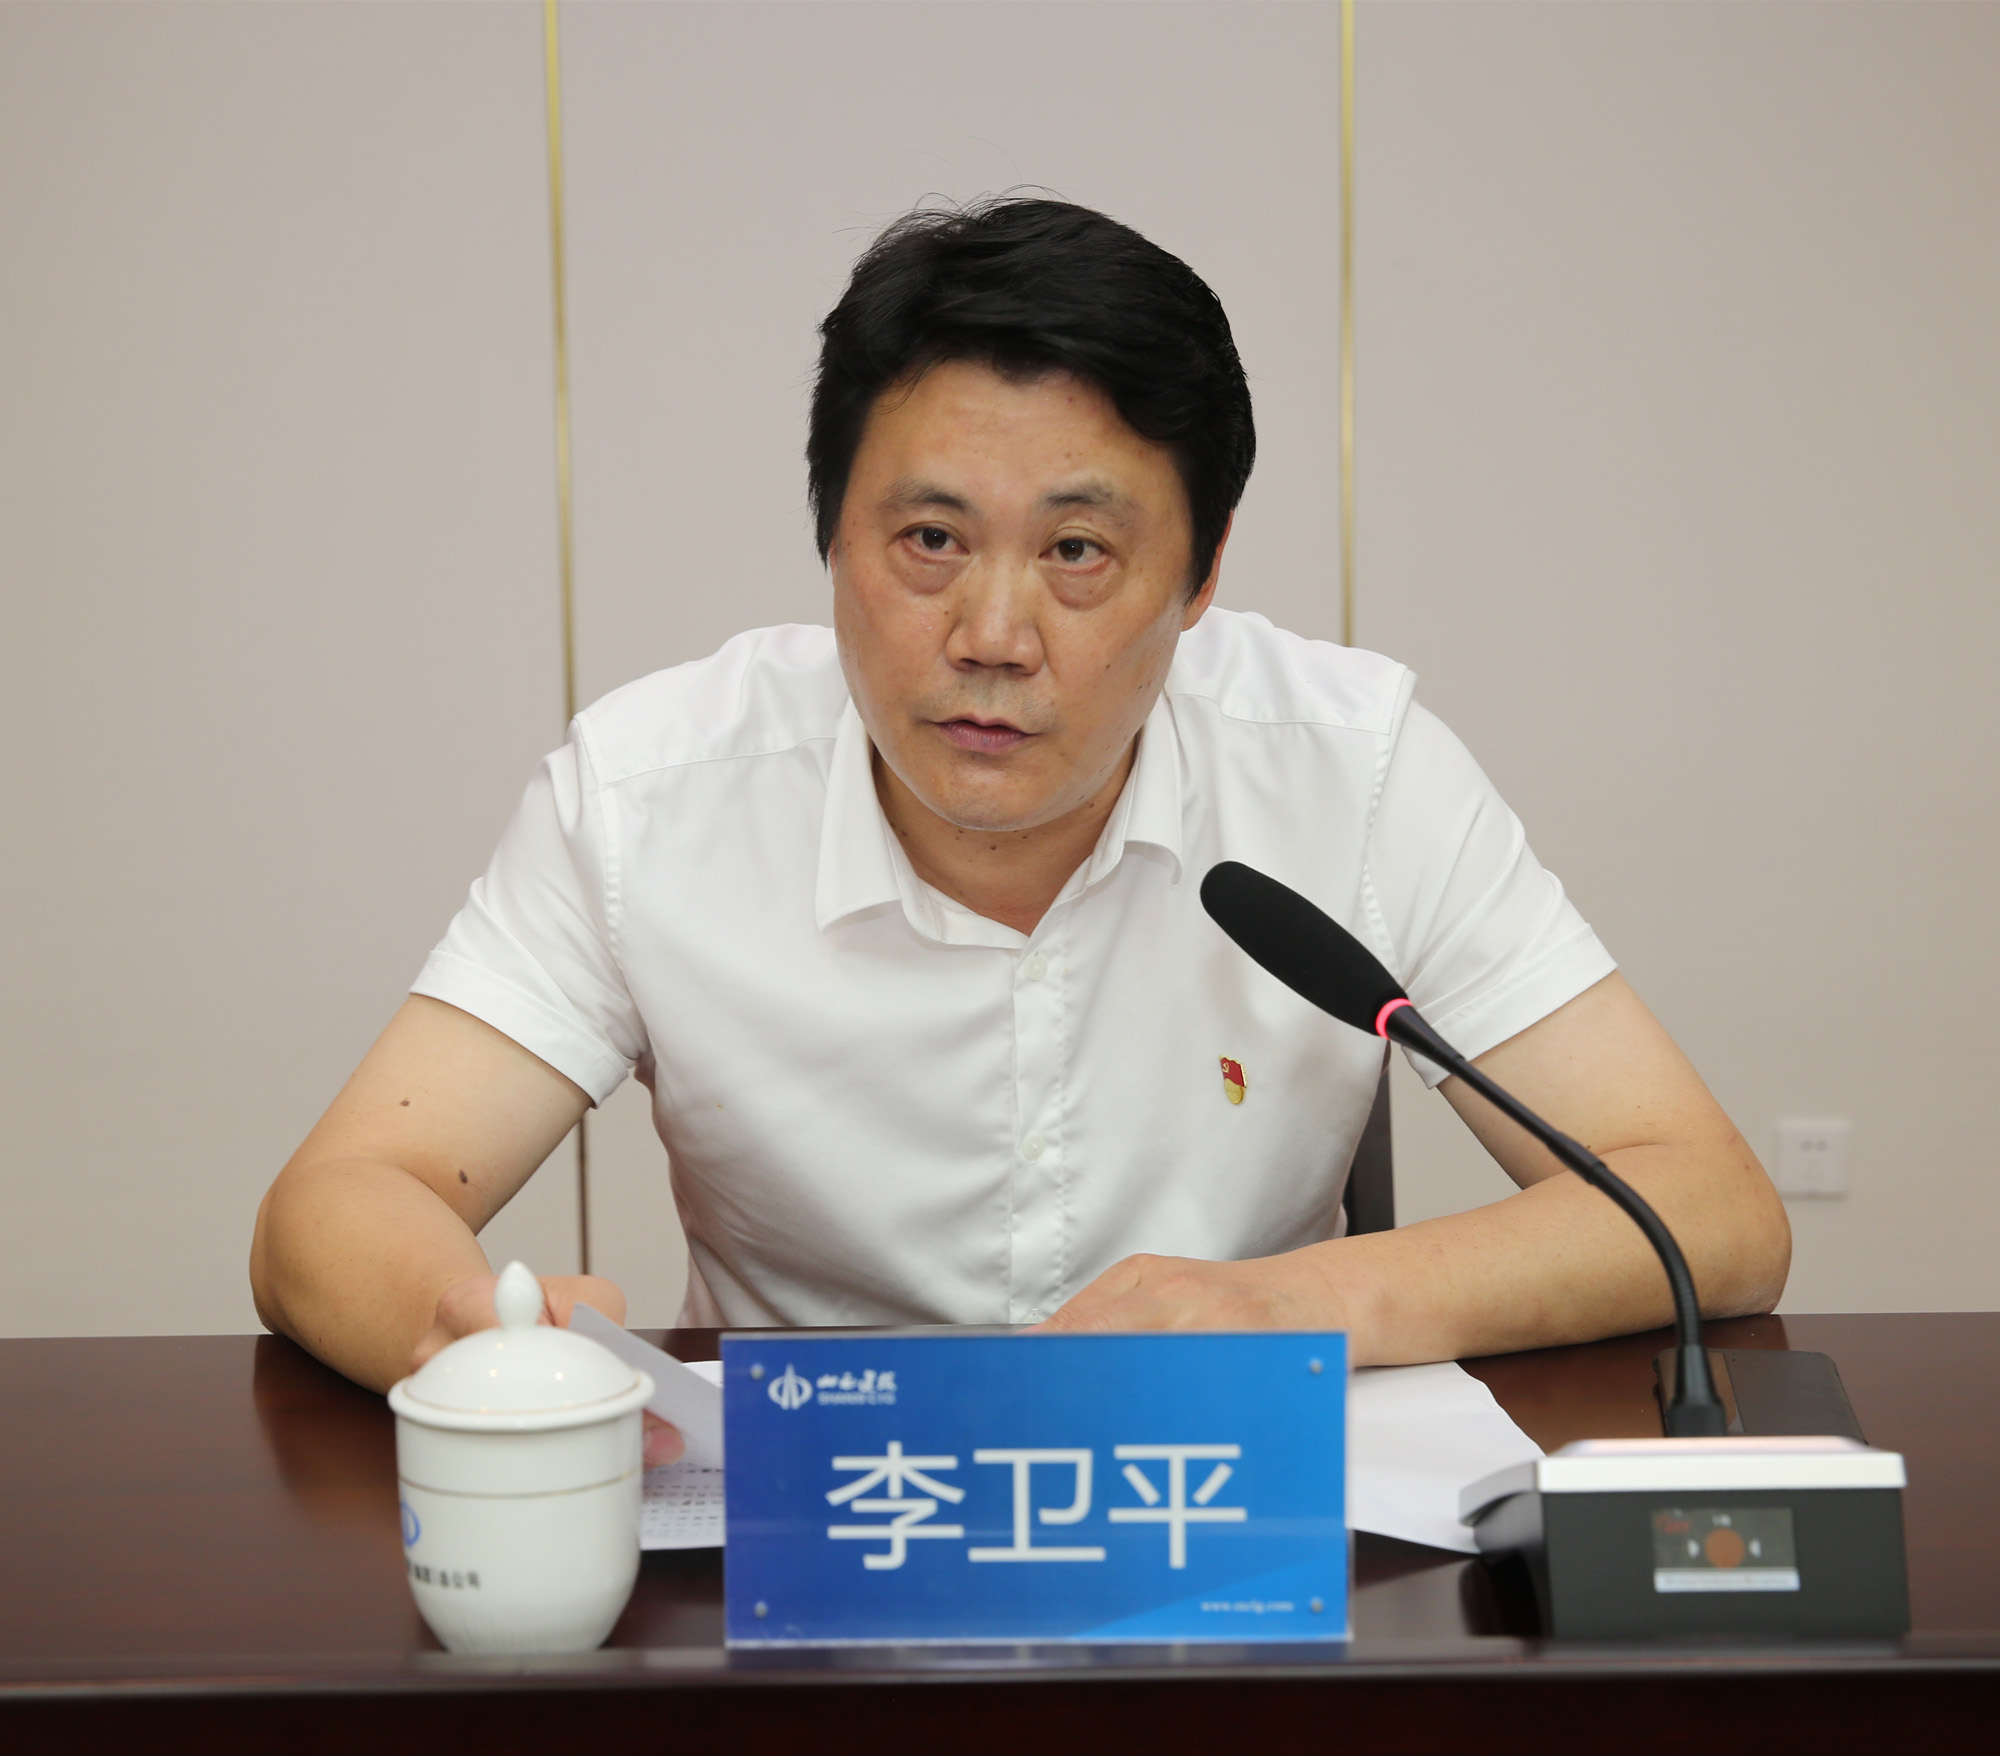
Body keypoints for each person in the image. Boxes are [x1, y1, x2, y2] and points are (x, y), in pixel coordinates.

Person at [250, 199, 1788, 1464]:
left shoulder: (1351, 770)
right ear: (830, 536)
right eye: (930, 540)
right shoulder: (653, 791)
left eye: (1078, 552)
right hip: (807, 1533)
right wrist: (473, 1333)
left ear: (1202, 572)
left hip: (1223, 1522)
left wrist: (1294, 1306)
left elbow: (1707, 1210)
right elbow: (336, 1205)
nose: (992, 635)